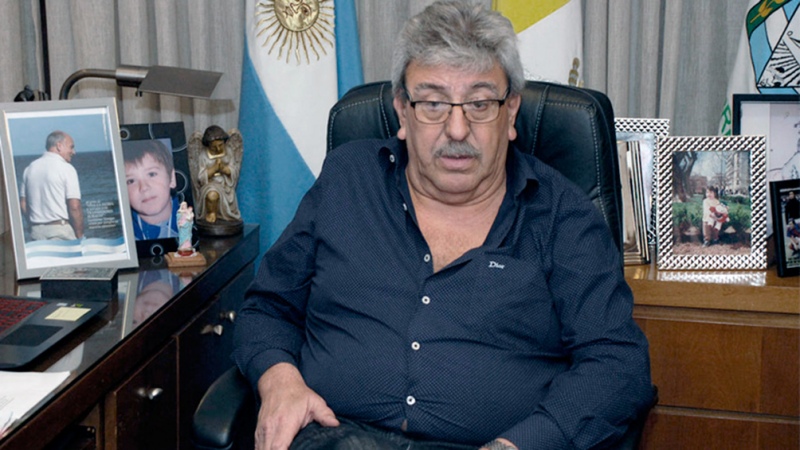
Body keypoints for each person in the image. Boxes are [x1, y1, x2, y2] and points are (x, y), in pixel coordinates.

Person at [234, 2, 654, 449]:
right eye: (433, 103)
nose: (457, 129)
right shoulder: (347, 180)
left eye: (479, 104)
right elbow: (268, 308)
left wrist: (520, 445)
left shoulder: (561, 215)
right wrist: (279, 382)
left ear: (511, 112)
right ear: (402, 111)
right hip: (334, 436)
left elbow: (616, 363)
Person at [20, 130, 84, 241]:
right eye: (71, 147)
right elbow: (75, 207)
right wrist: (79, 235)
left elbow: (23, 204)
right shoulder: (67, 168)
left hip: (36, 232)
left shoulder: (29, 168)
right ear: (59, 146)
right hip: (60, 231)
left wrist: (32, 225)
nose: (74, 152)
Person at [123, 139, 180, 240]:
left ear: (172, 178)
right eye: (131, 181)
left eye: (152, 174)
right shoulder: (123, 234)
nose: (144, 187)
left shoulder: (191, 218)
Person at [190, 125, 242, 224]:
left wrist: (224, 169)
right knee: (212, 195)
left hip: (225, 185)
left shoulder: (229, 152)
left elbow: (234, 171)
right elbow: (200, 177)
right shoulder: (203, 155)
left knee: (228, 196)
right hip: (210, 184)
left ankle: (226, 215)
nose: (218, 149)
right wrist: (213, 169)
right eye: (214, 147)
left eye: (220, 145)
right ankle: (211, 213)